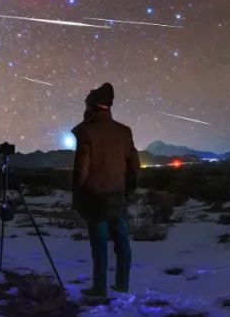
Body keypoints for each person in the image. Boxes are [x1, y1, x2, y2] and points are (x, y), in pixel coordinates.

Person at [70, 82, 139, 299]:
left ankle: (100, 288)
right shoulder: (124, 131)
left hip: (96, 196)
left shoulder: (87, 132)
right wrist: (129, 188)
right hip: (118, 194)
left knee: (99, 245)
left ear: (91, 105)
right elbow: (134, 165)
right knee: (122, 242)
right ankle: (122, 284)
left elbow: (82, 168)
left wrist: (78, 193)